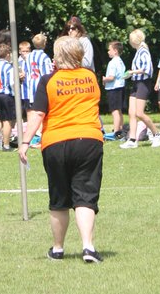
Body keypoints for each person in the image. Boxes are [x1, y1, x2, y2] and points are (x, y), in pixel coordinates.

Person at [19, 35, 104, 263]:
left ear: (56, 56)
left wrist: (25, 142)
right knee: (85, 196)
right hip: (89, 139)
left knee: (59, 198)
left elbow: (38, 114)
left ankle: (57, 249)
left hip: (56, 142)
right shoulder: (90, 77)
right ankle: (88, 247)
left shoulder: (48, 80)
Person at [120, 30, 160, 149]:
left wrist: (132, 72)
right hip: (136, 83)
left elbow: (146, 69)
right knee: (132, 112)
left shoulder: (144, 51)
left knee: (139, 113)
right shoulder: (138, 52)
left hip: (143, 84)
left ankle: (156, 134)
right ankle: (132, 139)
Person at [103, 41, 127, 138]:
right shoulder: (121, 61)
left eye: (110, 50)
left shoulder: (113, 62)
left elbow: (111, 77)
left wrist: (104, 79)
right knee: (119, 109)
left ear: (115, 51)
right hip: (121, 87)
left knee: (114, 110)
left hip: (113, 88)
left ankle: (116, 131)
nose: (108, 52)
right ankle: (120, 128)